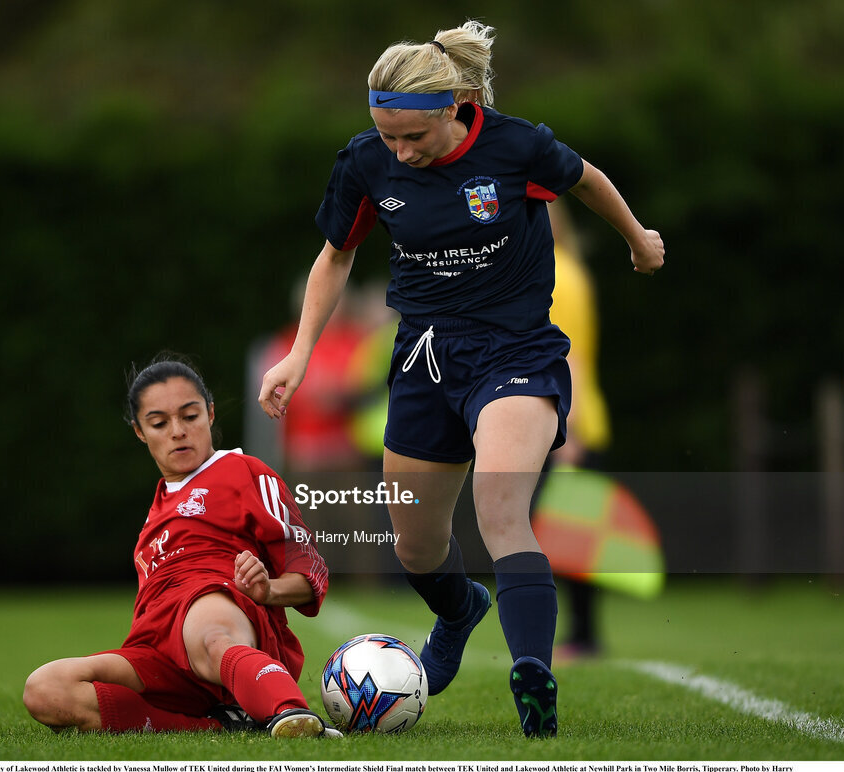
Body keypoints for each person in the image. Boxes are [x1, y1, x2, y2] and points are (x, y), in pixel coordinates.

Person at [258, 20, 664, 739]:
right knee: (415, 546)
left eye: (412, 137)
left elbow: (587, 180)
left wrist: (637, 239)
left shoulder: (515, 146)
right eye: (386, 136)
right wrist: (300, 353)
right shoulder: (366, 164)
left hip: (516, 354)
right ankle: (459, 609)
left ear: (453, 106)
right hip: (424, 362)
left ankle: (533, 677)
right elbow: (335, 256)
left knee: (500, 508)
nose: (400, 152)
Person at [24, 357, 340, 739]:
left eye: (189, 416)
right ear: (140, 432)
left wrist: (268, 590)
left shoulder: (245, 472)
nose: (177, 431)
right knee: (45, 688)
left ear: (209, 413)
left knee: (209, 631)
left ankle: (292, 715)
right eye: (159, 423)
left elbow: (311, 571)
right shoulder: (153, 519)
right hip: (158, 647)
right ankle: (218, 725)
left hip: (220, 611)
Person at [545, 199, 613, 660]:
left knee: (573, 538)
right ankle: (581, 635)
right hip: (567, 422)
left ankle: (584, 637)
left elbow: (572, 356)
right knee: (567, 535)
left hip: (571, 426)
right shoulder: (558, 268)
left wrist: (568, 432)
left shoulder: (559, 274)